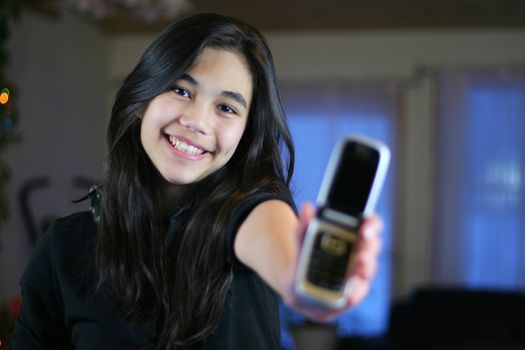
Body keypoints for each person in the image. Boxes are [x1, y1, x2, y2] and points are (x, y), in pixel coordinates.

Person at [10, 13, 383, 350]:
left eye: (226, 108)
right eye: (180, 90)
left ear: (245, 133)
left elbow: (272, 236)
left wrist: (300, 282)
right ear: (143, 99)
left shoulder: (250, 209)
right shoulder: (64, 248)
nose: (197, 121)